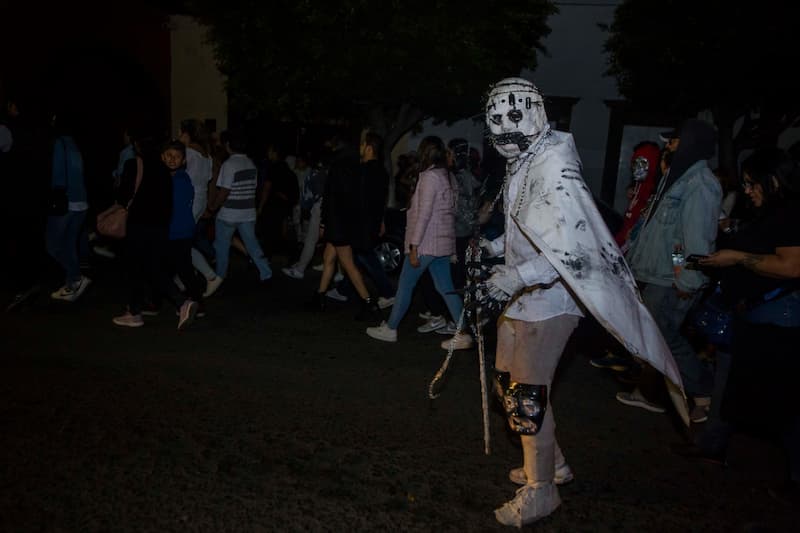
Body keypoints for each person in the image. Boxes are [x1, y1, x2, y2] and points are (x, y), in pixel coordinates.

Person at [477, 77, 684, 527]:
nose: (503, 127)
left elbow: (570, 251)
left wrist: (514, 276)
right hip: (520, 296)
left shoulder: (553, 164)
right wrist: (495, 250)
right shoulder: (525, 161)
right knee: (508, 389)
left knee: (527, 396)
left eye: (513, 115)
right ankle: (552, 463)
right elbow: (532, 229)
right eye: (495, 119)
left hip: (551, 299)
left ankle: (542, 489)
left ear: (534, 113)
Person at [673, 147, 800, 505]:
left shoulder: (791, 213)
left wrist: (738, 258)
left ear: (774, 180)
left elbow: (792, 267)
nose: (746, 190)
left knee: (783, 402)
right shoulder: (766, 212)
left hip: (779, 322)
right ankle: (712, 444)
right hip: (751, 317)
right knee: (732, 385)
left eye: (751, 183)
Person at [620, 119, 721, 420]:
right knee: (656, 338)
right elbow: (676, 239)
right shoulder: (676, 177)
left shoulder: (700, 184)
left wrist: (685, 278)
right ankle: (653, 394)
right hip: (661, 274)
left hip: (670, 281)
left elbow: (696, 241)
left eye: (673, 141)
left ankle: (704, 392)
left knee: (664, 336)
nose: (668, 145)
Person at [365, 136, 470, 349]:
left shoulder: (429, 177)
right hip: (441, 243)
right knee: (446, 288)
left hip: (426, 243)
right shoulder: (447, 176)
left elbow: (423, 215)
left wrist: (414, 246)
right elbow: (451, 212)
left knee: (405, 285)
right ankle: (464, 332)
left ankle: (391, 328)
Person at [112, 132, 199, 329]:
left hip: (139, 225)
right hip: (160, 227)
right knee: (150, 268)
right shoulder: (165, 171)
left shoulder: (135, 165)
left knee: (139, 268)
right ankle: (143, 309)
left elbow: (123, 195)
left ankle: (143, 310)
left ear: (136, 145)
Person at [205, 129, 273, 286]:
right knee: (252, 243)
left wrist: (213, 205)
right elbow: (254, 188)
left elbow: (224, 190)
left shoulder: (229, 165)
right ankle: (266, 272)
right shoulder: (251, 163)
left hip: (228, 214)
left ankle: (219, 276)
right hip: (248, 213)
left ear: (228, 145)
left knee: (221, 246)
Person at [46, 112, 91, 302]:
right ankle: (71, 283)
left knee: (53, 245)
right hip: (81, 202)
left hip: (66, 201)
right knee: (69, 243)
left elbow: (58, 174)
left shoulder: (59, 143)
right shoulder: (74, 144)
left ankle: (75, 278)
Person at [178, 119, 222, 298]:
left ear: (187, 134)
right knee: (184, 242)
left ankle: (210, 276)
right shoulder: (207, 155)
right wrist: (209, 206)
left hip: (189, 202)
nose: (179, 137)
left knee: (181, 243)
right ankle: (184, 277)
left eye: (180, 133)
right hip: (199, 202)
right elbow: (210, 182)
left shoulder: (188, 153)